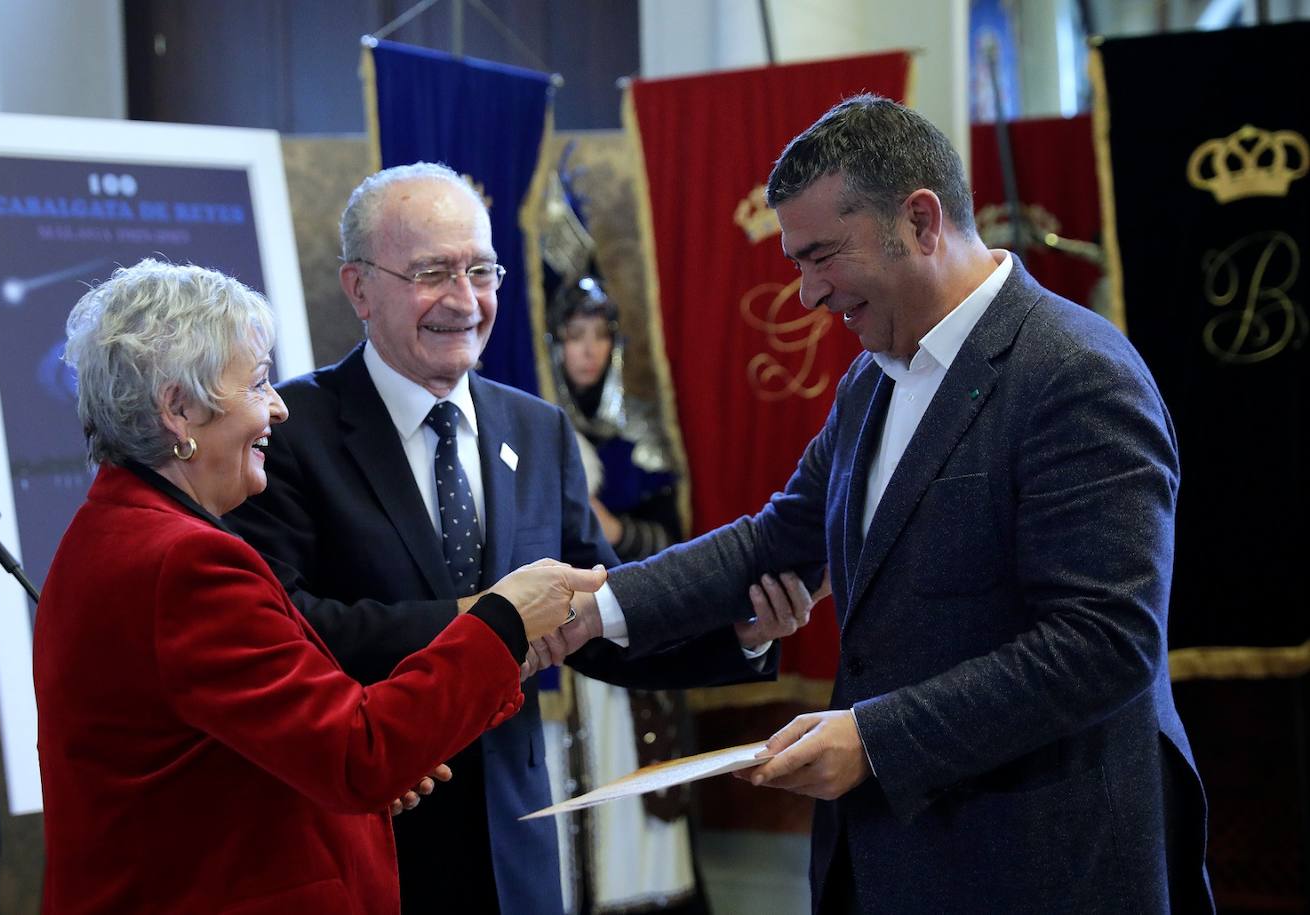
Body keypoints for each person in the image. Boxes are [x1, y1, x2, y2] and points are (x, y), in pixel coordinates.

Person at [561, 95, 1213, 913]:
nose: (804, 294)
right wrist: (598, 606)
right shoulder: (872, 377)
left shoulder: (1077, 372)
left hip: (1042, 861)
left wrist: (876, 740)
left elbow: (1105, 642)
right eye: (797, 262)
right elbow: (775, 541)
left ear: (920, 218)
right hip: (894, 857)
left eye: (822, 255)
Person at [224, 163, 816, 915]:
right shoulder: (289, 431)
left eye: (481, 270)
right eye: (433, 272)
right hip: (368, 839)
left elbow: (594, 620)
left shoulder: (537, 430)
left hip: (517, 841)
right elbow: (289, 629)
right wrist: (491, 618)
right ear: (358, 287)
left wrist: (738, 634)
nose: (465, 301)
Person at [33, 259, 603, 914]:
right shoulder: (185, 565)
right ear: (179, 410)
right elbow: (358, 751)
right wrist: (504, 618)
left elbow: (221, 747)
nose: (278, 406)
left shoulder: (109, 531)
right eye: (257, 383)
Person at [543, 275, 707, 914]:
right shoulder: (529, 423)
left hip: (630, 638)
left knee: (636, 802)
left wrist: (614, 527)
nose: (588, 351)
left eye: (600, 335)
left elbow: (677, 544)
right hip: (556, 646)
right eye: (574, 336)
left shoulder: (639, 434)